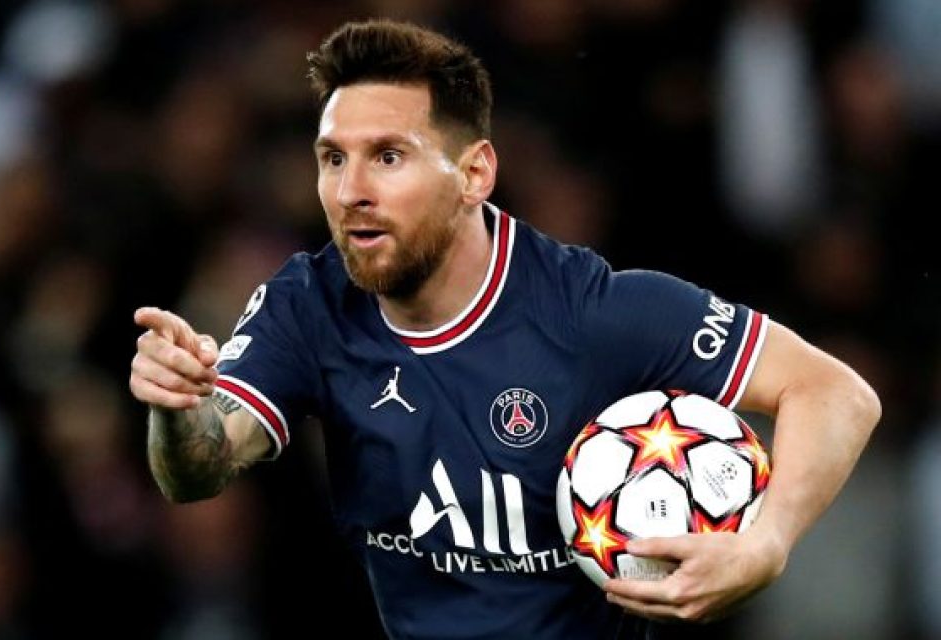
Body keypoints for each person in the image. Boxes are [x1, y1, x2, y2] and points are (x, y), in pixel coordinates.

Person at [129, 19, 881, 638]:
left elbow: (836, 392)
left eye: (388, 157)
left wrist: (767, 543)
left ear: (475, 174)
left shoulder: (590, 311)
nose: (351, 191)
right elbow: (197, 470)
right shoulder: (309, 305)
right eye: (333, 159)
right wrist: (176, 411)